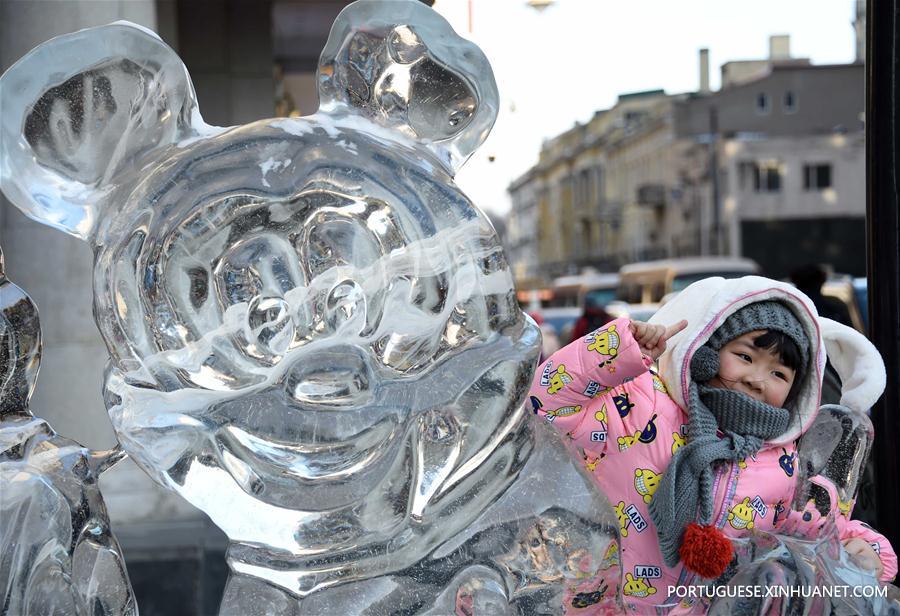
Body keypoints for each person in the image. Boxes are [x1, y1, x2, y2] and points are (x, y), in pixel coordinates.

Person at [528, 275, 896, 612]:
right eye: (745, 356)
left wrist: (870, 553)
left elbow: (819, 533)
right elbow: (544, 401)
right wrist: (618, 350)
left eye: (779, 373)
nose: (756, 379)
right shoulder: (641, 406)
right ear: (707, 352)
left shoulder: (786, 465)